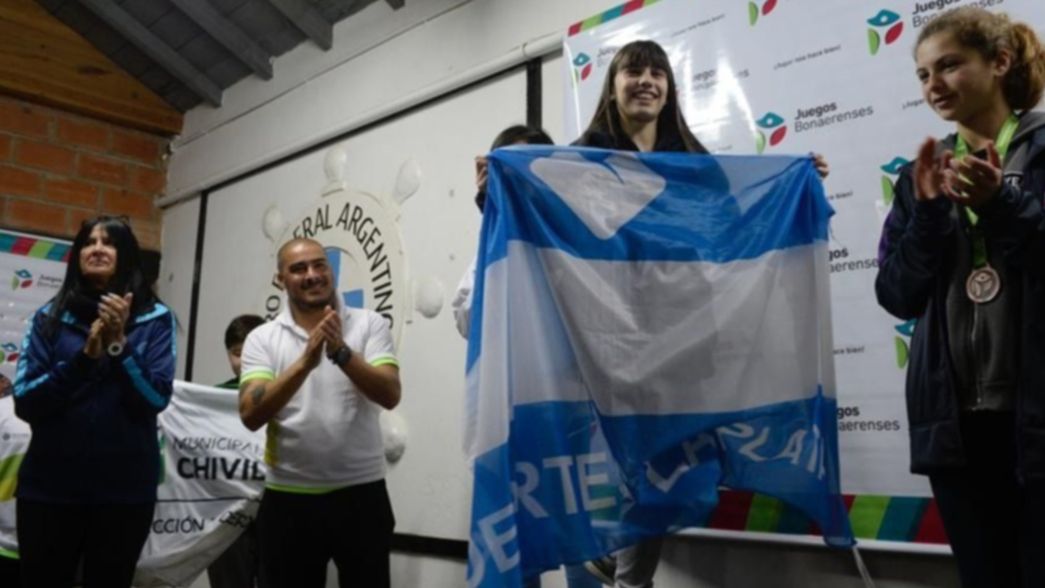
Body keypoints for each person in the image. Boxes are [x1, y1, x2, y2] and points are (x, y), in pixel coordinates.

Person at [575, 39, 831, 587]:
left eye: (657, 73)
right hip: (605, 351)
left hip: (681, 350)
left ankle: (623, 572)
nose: (645, 80)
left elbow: (740, 231)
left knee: (663, 480)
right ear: (612, 86)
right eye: (632, 71)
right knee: (618, 477)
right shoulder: (580, 161)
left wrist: (796, 183)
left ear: (669, 88)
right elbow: (541, 222)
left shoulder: (697, 166)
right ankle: (615, 565)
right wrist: (490, 194)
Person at [874, 7, 1045, 587]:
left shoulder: (1042, 153)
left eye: (949, 65)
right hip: (955, 428)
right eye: (923, 74)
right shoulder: (917, 176)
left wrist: (1002, 205)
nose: (934, 85)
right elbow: (896, 295)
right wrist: (925, 218)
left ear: (998, 63)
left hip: (1035, 419)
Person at [13, 215, 176, 588]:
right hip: (49, 491)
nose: (98, 249)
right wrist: (85, 358)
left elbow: (155, 398)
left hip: (124, 495)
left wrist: (119, 346)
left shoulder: (155, 319)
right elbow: (26, 402)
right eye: (89, 242)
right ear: (77, 255)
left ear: (127, 256)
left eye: (109, 242)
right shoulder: (48, 319)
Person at [238, 238, 401, 588]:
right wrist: (305, 363)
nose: (312, 275)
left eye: (319, 265)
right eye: (298, 269)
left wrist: (341, 352)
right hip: (288, 498)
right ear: (281, 279)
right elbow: (250, 414)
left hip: (362, 494)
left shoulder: (369, 324)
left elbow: (390, 394)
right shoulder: (262, 339)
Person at [452, 124, 554, 337]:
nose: (520, 182)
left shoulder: (567, 239)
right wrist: (495, 218)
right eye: (508, 172)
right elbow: (469, 323)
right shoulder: (493, 245)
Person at [208, 314, 267, 587]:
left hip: (275, 511)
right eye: (236, 353)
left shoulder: (287, 391)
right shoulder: (211, 399)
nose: (244, 361)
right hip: (227, 515)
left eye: (252, 352)